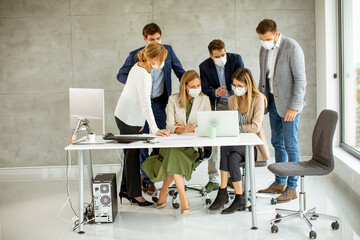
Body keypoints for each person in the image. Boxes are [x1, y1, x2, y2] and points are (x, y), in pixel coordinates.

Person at [116, 23, 185, 195]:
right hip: (138, 108)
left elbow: (180, 72)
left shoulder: (166, 51)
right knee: (139, 146)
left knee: (158, 142)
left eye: (158, 38)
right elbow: (144, 102)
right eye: (152, 39)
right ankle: (143, 183)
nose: (156, 42)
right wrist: (136, 88)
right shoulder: (141, 68)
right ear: (145, 40)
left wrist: (190, 86)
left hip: (158, 103)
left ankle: (153, 178)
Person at [141, 70, 211, 215]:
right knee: (174, 151)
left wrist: (188, 128)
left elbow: (207, 125)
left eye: (198, 85)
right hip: (174, 143)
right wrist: (182, 129)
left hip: (193, 146)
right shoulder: (173, 99)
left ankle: (165, 190)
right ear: (185, 86)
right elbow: (169, 126)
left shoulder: (204, 100)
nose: (196, 89)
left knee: (175, 155)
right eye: (192, 86)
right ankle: (184, 199)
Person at [256, 19, 307, 203]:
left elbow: (300, 80)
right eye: (261, 39)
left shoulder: (292, 47)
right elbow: (263, 77)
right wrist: (261, 105)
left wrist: (294, 106)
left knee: (290, 144)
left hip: (289, 106)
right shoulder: (263, 49)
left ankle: (292, 188)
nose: (264, 42)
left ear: (276, 34)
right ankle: (279, 182)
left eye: (268, 38)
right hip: (272, 101)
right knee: (277, 142)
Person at [114, 42, 170, 206]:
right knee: (132, 156)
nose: (162, 63)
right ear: (152, 58)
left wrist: (139, 121)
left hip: (126, 115)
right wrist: (155, 129)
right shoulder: (144, 75)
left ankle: (125, 190)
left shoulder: (138, 67)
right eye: (160, 60)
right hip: (127, 117)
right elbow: (145, 104)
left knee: (130, 154)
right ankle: (135, 195)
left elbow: (137, 100)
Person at [208, 68, 270, 214]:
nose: (236, 89)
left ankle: (222, 191)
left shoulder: (258, 99)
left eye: (239, 86)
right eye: (234, 85)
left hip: (254, 147)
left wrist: (237, 128)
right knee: (232, 157)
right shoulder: (232, 99)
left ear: (248, 85)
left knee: (226, 148)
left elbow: (255, 127)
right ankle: (239, 197)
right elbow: (231, 124)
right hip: (237, 147)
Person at [199, 39, 245, 193]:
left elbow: (243, 80)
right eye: (217, 56)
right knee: (214, 142)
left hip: (235, 103)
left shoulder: (236, 59)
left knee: (234, 140)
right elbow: (205, 88)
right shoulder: (204, 66)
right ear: (211, 56)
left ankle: (233, 177)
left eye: (223, 54)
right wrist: (215, 92)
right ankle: (213, 178)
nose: (221, 58)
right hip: (217, 105)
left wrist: (231, 91)